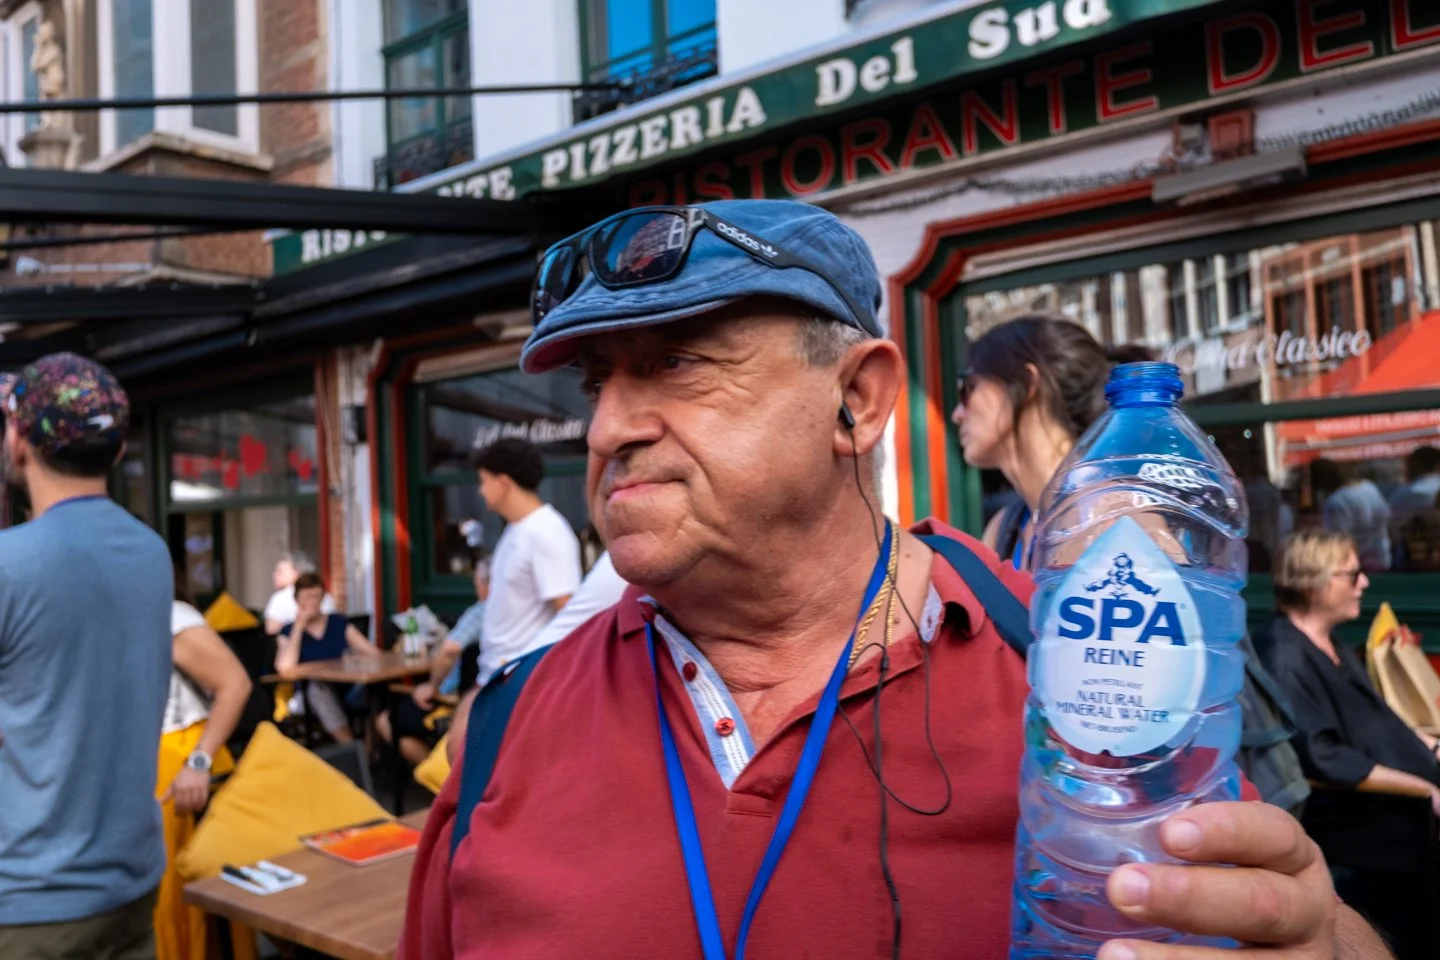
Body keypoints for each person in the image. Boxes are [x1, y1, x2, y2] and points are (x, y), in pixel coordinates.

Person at [401, 200, 1387, 959]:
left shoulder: (1073, 662)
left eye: (677, 363)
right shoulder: (505, 727)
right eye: (597, 387)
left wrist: (1330, 941)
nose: (609, 429)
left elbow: (1278, 909)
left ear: (858, 402)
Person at [0, 353, 173, 959]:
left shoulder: (10, 564)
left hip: (30, 901)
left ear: (19, 440)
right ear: (118, 451)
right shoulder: (151, 552)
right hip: (129, 884)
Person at [950, 316, 1149, 569]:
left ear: (1027, 381)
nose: (957, 414)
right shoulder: (1003, 530)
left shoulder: (1120, 514)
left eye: (968, 387)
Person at [1262, 530, 1440, 810]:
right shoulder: (1286, 658)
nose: (1364, 583)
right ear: (1314, 583)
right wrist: (1424, 790)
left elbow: (1376, 720)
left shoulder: (1331, 643)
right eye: (1353, 574)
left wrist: (1432, 747)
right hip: (1361, 820)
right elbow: (1324, 757)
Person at [156, 565, 253, 960]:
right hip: (153, 757)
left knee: (183, 886)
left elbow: (235, 683)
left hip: (180, 758)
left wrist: (198, 761)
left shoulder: (171, 615)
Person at [471, 437, 582, 685]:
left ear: (503, 483)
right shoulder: (516, 528)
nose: (480, 490)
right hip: (498, 672)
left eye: (483, 481)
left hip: (520, 677)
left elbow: (568, 614)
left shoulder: (546, 531)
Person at [379, 561, 492, 766]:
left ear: (483, 585)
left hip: (456, 702)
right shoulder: (526, 613)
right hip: (500, 701)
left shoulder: (481, 612)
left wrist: (432, 686)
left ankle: (442, 784)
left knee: (385, 720)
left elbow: (449, 650)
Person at [276, 572, 379, 743]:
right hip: (310, 692)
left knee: (375, 688)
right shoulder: (288, 631)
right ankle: (352, 749)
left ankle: (371, 751)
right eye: (306, 598)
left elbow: (372, 653)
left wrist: (355, 658)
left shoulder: (337, 622)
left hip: (345, 685)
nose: (311, 602)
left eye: (316, 597)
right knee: (318, 690)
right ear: (297, 600)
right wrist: (299, 626)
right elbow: (284, 667)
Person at [1321, 464, 1391, 572]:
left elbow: (1337, 541)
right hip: (1382, 560)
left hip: (1356, 567)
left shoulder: (1336, 501)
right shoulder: (1370, 487)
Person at [263, 550, 334, 635]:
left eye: (280, 572)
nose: (274, 575)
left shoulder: (280, 598)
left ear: (297, 573)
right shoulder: (326, 596)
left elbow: (272, 632)